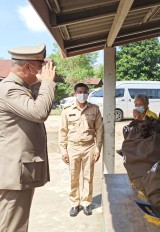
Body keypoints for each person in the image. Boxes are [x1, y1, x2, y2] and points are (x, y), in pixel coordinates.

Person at [0, 44, 56, 232]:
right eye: (40, 67)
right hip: (13, 175)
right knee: (12, 227)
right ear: (27, 67)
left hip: (18, 173)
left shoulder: (21, 88)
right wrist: (47, 83)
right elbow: (39, 112)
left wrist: (42, 84)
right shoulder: (10, 89)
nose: (43, 72)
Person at [59, 83, 104, 217]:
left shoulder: (95, 109)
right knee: (73, 176)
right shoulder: (67, 111)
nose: (82, 94)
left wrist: (98, 148)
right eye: (80, 92)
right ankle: (74, 203)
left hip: (89, 146)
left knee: (88, 176)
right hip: (73, 147)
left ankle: (86, 203)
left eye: (85, 92)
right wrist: (64, 151)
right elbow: (62, 132)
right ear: (74, 94)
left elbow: (99, 130)